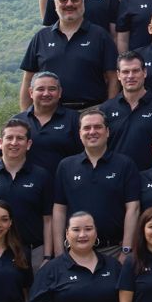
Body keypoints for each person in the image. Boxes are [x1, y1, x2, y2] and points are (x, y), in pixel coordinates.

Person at [53, 109, 140, 257]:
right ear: (80, 133)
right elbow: (59, 210)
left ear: (107, 131)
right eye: (87, 128)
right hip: (74, 251)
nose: (92, 132)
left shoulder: (125, 164)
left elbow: (133, 208)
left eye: (98, 127)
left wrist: (126, 250)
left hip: (114, 250)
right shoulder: (66, 166)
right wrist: (59, 252)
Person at [22, 0, 119, 111]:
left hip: (91, 113)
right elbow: (28, 79)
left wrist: (109, 111)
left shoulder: (100, 36)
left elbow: (113, 77)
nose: (69, 4)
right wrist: (25, 116)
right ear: (55, 4)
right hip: (50, 113)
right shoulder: (41, 37)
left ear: (83, 2)